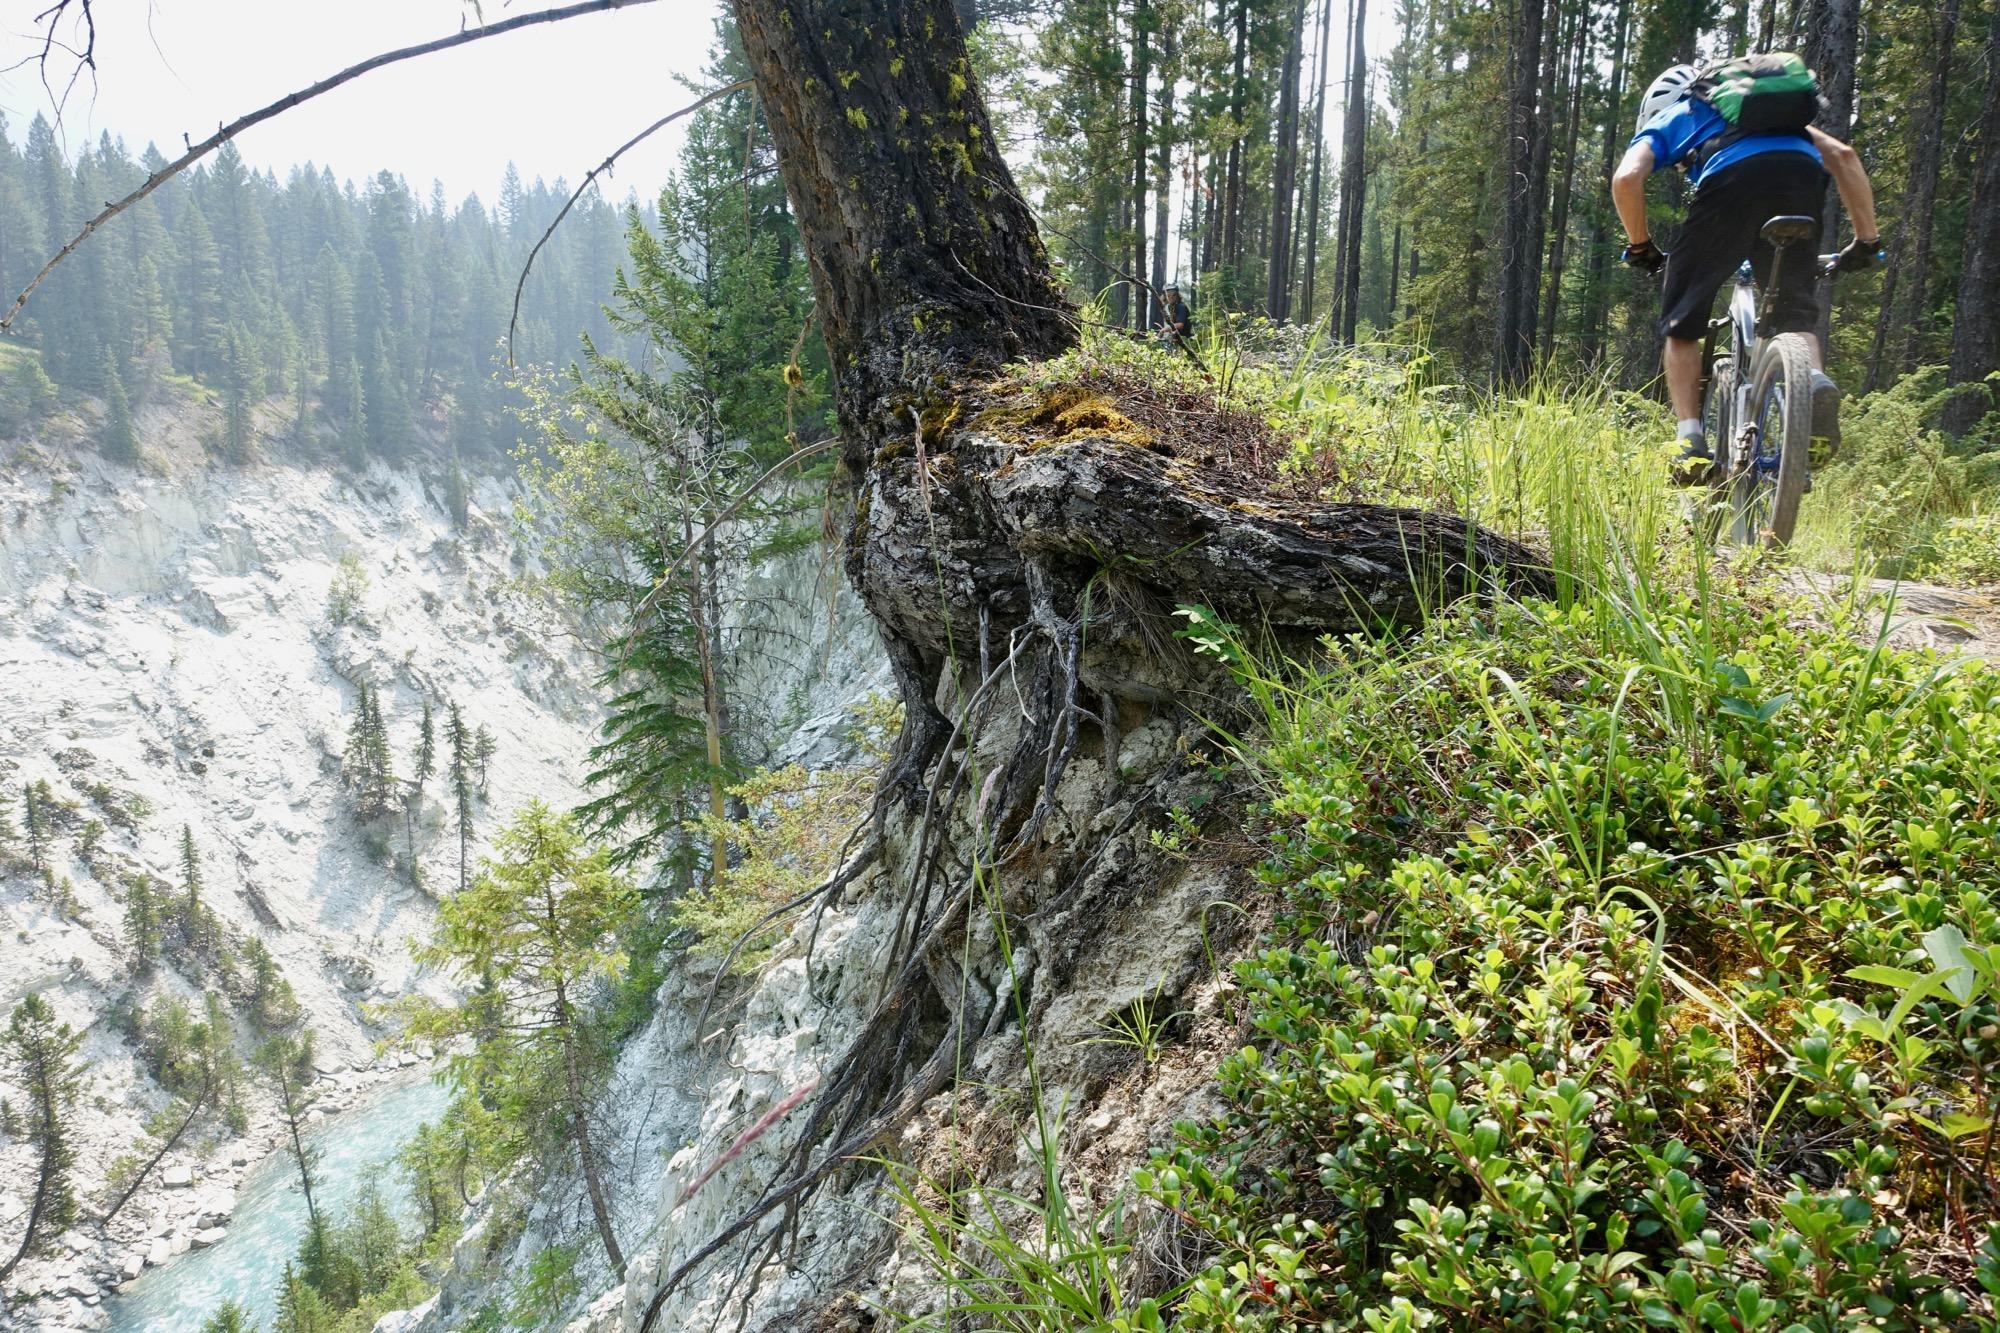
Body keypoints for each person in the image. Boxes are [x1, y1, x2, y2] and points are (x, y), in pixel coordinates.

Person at [1611, 59, 1885, 479]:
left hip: (1731, 187)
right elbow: (1844, 157)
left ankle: (1689, 443)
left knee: (1681, 324)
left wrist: (1641, 245)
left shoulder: (1679, 114)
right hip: (1800, 181)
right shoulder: (1788, 125)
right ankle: (1811, 384)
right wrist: (1866, 242)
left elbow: (1627, 178)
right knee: (1795, 314)